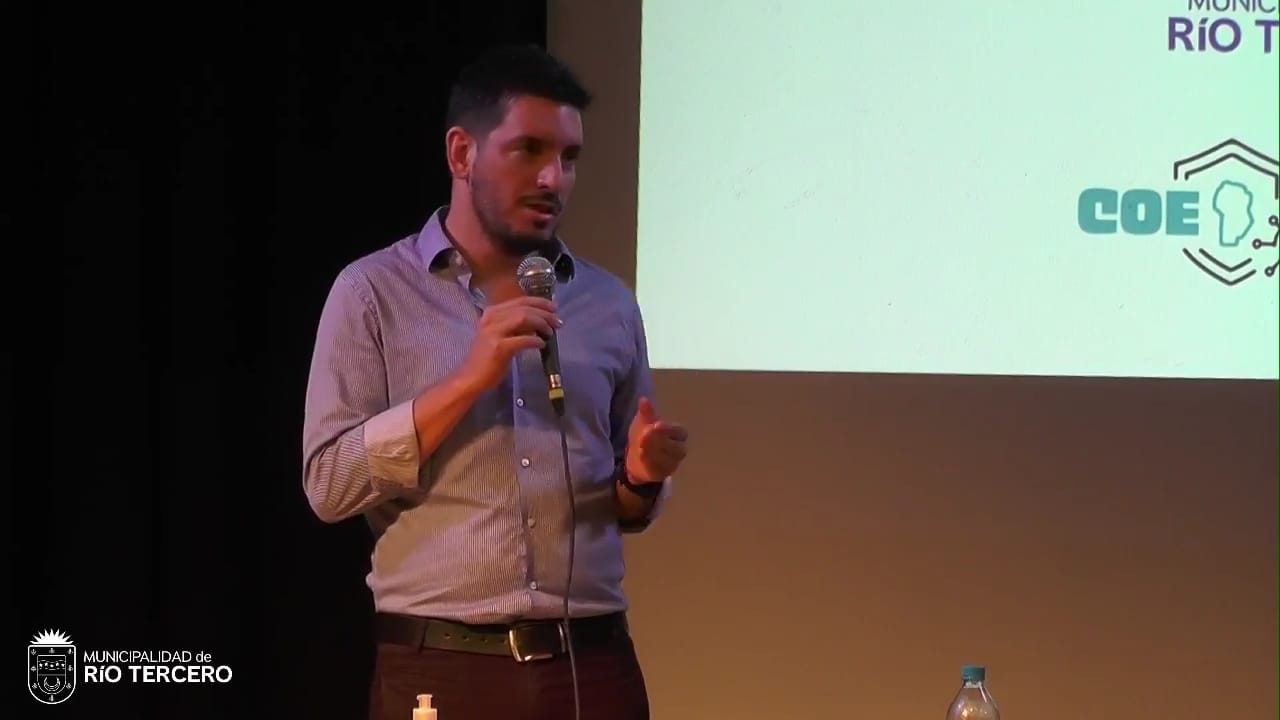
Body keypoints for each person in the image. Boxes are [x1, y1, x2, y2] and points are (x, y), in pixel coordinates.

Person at [301, 44, 688, 720]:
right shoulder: (372, 294)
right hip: (442, 664)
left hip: (591, 665)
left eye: (569, 157)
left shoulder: (608, 304)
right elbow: (329, 487)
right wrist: (466, 380)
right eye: (529, 150)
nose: (553, 177)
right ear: (462, 153)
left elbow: (626, 510)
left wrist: (641, 477)